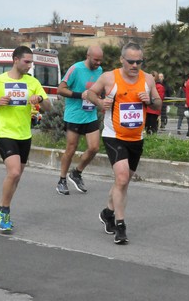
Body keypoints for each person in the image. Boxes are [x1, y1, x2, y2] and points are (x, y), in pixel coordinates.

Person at [87, 42, 162, 244]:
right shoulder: (109, 77)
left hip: (136, 138)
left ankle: (108, 213)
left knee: (124, 181)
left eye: (139, 61)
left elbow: (158, 103)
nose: (135, 65)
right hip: (114, 135)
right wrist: (100, 103)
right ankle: (121, 226)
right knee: (121, 179)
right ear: (122, 60)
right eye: (131, 61)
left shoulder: (147, 79)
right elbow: (90, 93)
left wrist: (149, 101)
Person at [0, 46, 52, 232]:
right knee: (13, 173)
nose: (29, 65)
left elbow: (49, 107)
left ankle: (0, 207)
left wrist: (40, 100)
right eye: (26, 61)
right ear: (15, 60)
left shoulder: (33, 82)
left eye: (31, 62)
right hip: (5, 132)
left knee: (17, 176)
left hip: (24, 135)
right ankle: (4, 211)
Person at [55, 45, 103, 195]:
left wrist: (99, 100)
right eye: (96, 60)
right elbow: (60, 89)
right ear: (88, 56)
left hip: (90, 115)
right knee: (71, 148)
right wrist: (79, 95)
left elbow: (97, 90)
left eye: (100, 60)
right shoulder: (75, 69)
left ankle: (76, 172)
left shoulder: (100, 71)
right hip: (74, 115)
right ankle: (62, 180)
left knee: (94, 147)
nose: (98, 63)